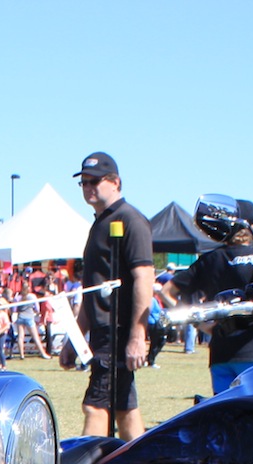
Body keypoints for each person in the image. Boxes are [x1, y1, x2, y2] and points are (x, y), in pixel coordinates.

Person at [75, 151, 154, 438]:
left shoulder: (130, 220)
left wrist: (137, 336)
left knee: (96, 407)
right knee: (124, 409)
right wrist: (77, 335)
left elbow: (144, 277)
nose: (88, 187)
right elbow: (91, 288)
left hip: (118, 332)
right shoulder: (99, 223)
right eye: (83, 182)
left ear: (115, 182)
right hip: (100, 333)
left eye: (94, 181)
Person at [158, 200, 253, 394]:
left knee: (225, 416)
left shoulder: (210, 259)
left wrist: (199, 324)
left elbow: (166, 291)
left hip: (220, 352)